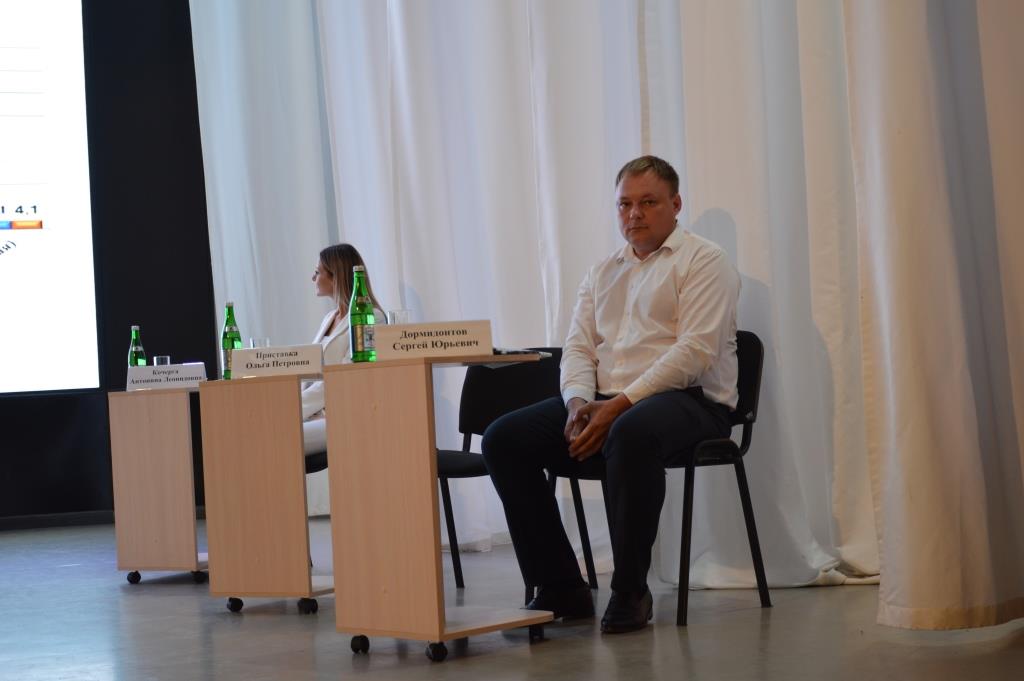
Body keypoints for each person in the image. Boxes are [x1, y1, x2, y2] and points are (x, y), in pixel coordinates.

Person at [482, 155, 740, 633]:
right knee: (504, 439)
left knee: (631, 431)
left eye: (648, 202)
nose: (634, 214)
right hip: (604, 400)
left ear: (676, 204)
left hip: (693, 401)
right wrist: (578, 404)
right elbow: (578, 348)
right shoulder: (603, 271)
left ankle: (630, 590)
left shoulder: (705, 261)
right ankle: (561, 585)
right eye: (624, 204)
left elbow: (695, 352)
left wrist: (619, 405)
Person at [302, 243, 385, 456]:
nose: (313, 278)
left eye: (317, 272)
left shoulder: (371, 317)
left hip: (344, 412)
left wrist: (296, 407)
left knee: (279, 435)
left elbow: (344, 377)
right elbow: (312, 371)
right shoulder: (329, 318)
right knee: (268, 428)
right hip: (314, 412)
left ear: (335, 277)